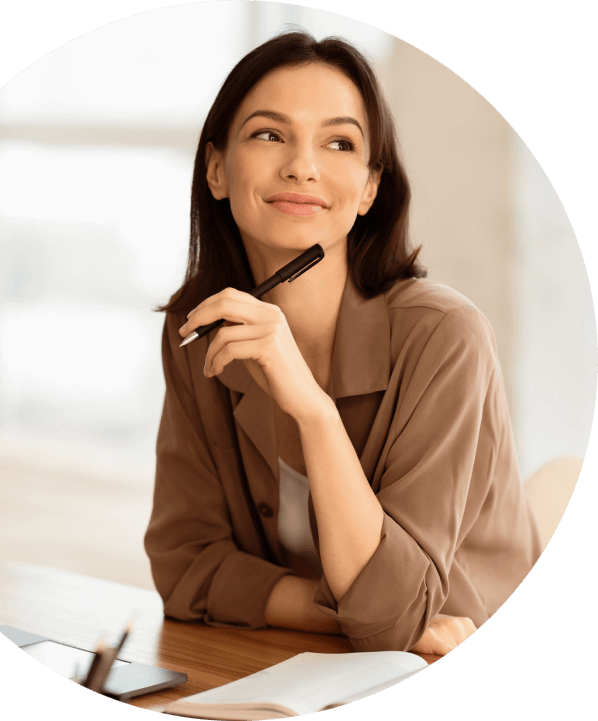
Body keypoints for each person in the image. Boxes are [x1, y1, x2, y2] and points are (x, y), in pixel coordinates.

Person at [144, 30, 541, 655]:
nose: (303, 165)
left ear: (369, 188)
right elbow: (185, 567)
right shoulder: (198, 329)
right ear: (217, 169)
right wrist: (340, 613)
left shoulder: (446, 336)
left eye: (339, 142)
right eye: (269, 134)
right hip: (322, 658)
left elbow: (391, 618)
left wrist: (311, 408)